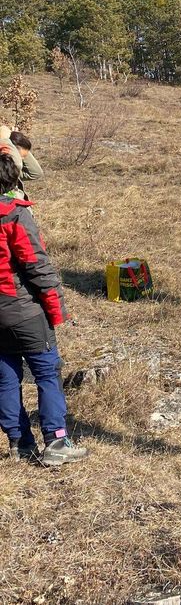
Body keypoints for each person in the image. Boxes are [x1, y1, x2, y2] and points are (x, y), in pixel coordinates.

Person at [0, 154, 88, 465]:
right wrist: (56, 309)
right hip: (23, 310)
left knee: (6, 378)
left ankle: (19, 442)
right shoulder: (13, 216)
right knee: (47, 372)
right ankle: (56, 440)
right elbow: (36, 266)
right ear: (12, 182)